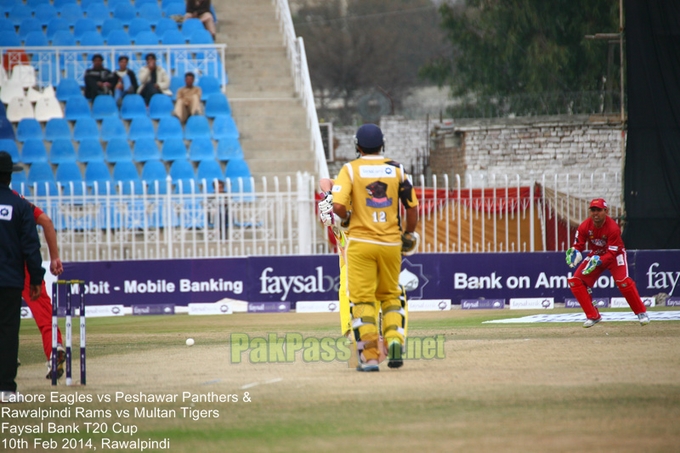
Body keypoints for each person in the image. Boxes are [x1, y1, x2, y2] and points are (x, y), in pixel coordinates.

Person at [330, 124, 419, 372]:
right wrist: (409, 233)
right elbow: (412, 207)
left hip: (360, 244)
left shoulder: (350, 169)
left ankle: (370, 358)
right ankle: (393, 341)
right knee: (391, 295)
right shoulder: (397, 170)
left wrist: (347, 218)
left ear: (357, 146)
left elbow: (337, 207)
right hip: (391, 243)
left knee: (362, 301)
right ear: (383, 145)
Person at [0, 152, 44, 402]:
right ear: (9, 176)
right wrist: (36, 279)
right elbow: (31, 246)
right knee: (7, 333)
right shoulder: (19, 205)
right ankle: (5, 388)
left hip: (8, 278)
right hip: (8, 280)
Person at [566, 198, 650, 328]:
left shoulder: (613, 228)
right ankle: (593, 316)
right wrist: (575, 252)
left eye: (598, 210)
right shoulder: (584, 226)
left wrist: (599, 261)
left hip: (615, 255)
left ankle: (641, 312)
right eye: (593, 210)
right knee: (575, 281)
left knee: (623, 282)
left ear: (606, 211)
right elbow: (579, 244)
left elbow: (611, 253)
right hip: (596, 254)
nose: (595, 213)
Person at [12, 192, 65, 379]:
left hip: (4, 264)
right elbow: (47, 221)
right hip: (26, 264)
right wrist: (55, 257)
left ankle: (7, 355)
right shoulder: (19, 201)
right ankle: (54, 349)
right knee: (43, 310)